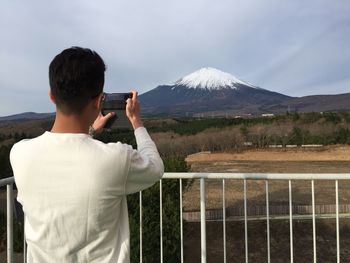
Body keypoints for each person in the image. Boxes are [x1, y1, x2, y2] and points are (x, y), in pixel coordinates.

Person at [10, 47, 164, 263]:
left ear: (52, 96)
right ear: (99, 100)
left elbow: (66, 151)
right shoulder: (116, 158)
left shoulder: (20, 153)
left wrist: (90, 131)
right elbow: (155, 167)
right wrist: (136, 121)